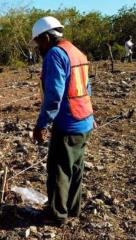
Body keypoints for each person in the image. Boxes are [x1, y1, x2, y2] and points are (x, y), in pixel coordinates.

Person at [31, 16, 95, 225]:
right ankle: (72, 209)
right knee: (76, 168)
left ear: (47, 37)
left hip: (68, 123)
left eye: (38, 42)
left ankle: (57, 215)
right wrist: (90, 116)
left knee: (58, 170)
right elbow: (86, 89)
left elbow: (54, 96)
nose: (38, 47)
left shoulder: (54, 55)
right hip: (84, 120)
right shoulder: (77, 52)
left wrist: (41, 125)